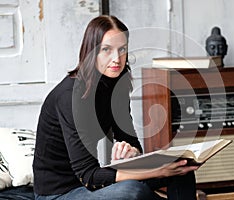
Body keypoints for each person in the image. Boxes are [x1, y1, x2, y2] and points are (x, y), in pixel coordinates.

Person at [33, 15, 198, 200]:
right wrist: (158, 171)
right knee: (132, 191)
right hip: (60, 193)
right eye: (106, 49)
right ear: (91, 52)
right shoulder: (71, 96)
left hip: (91, 183)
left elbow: (131, 142)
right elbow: (88, 176)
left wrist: (131, 153)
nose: (116, 59)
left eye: (122, 49)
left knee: (180, 168)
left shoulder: (116, 84)